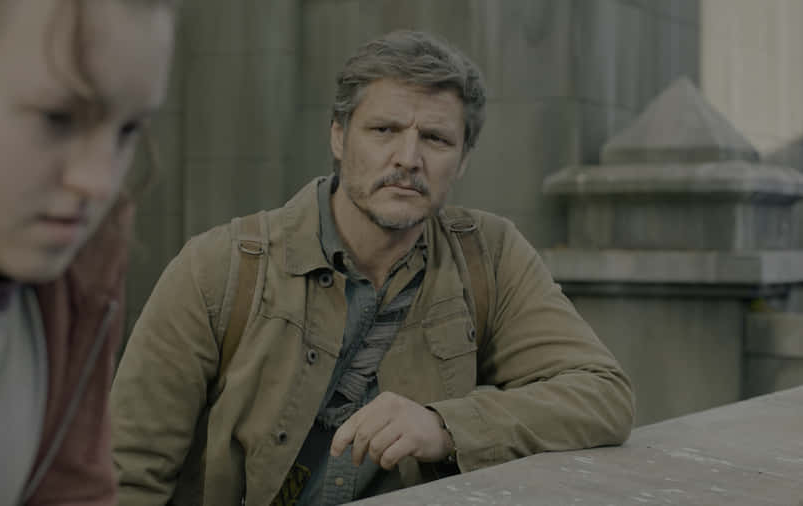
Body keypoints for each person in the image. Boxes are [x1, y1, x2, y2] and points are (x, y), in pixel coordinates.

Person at [111, 30, 634, 506]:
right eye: (384, 129)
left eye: (436, 139)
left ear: (463, 160)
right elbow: (126, 474)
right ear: (339, 138)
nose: (408, 158)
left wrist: (446, 426)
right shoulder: (220, 268)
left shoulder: (488, 256)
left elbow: (602, 394)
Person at [0, 0, 175, 504]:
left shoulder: (85, 258)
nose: (99, 182)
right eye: (58, 119)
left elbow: (72, 489)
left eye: (128, 130)